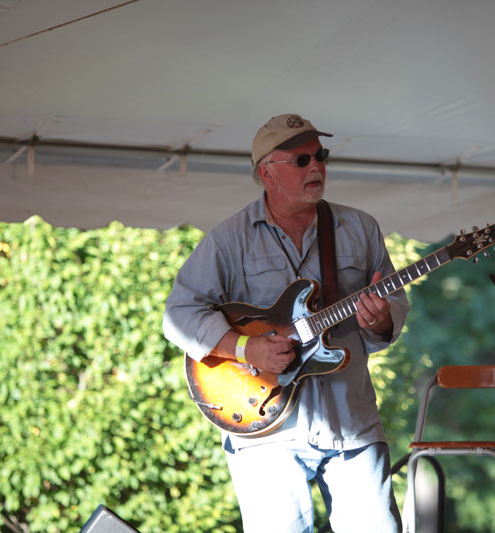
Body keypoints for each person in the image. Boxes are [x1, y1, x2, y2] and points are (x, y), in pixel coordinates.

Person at [163, 113, 409, 532]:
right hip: (263, 432)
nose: (316, 167)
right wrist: (247, 349)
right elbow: (178, 316)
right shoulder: (228, 239)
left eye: (320, 156)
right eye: (300, 161)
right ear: (266, 173)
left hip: (351, 423)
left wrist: (381, 320)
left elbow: (390, 314)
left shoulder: (360, 229)